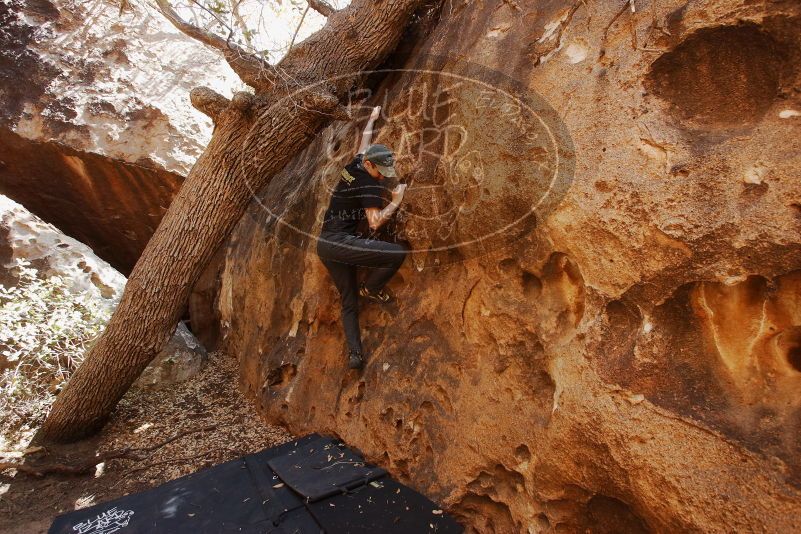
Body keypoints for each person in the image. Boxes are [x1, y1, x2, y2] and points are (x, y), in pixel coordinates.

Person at [316, 105, 408, 370]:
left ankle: (355, 355)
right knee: (397, 254)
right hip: (341, 243)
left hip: (326, 245)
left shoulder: (355, 163)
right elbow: (374, 222)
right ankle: (372, 288)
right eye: (381, 172)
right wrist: (396, 202)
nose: (383, 177)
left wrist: (372, 119)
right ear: (369, 165)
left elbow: (364, 141)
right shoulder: (368, 183)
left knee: (348, 302)